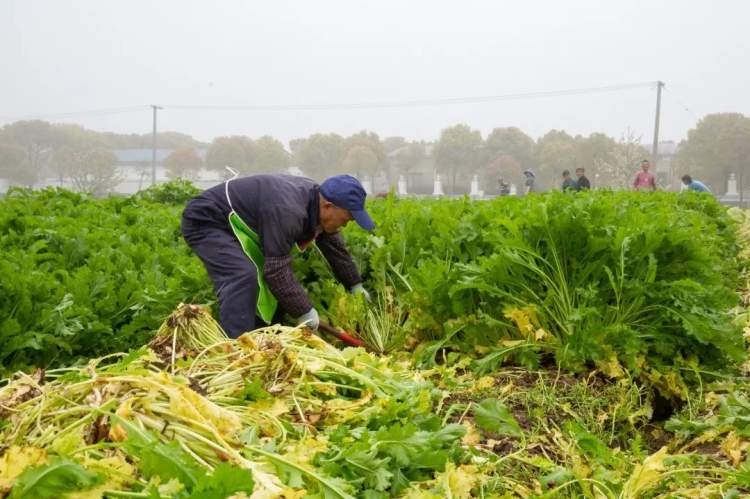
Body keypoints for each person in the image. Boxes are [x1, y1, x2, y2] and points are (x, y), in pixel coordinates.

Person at [180, 173, 374, 338]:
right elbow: (276, 271)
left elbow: (333, 245)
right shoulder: (289, 211)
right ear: (328, 206)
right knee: (243, 276)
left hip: (239, 222)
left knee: (277, 285)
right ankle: (234, 349)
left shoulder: (316, 201)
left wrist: (354, 284)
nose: (346, 225)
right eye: (346, 219)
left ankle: (264, 338)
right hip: (207, 220)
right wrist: (303, 311)